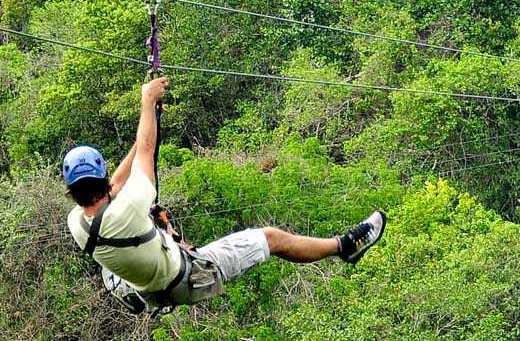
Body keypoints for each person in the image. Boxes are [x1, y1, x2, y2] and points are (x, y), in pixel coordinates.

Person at [62, 76, 387, 313]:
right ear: (101, 177)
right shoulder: (128, 207)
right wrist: (147, 103)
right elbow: (146, 152)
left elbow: (119, 179)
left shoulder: (76, 222)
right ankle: (345, 247)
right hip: (188, 278)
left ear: (73, 192)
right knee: (271, 238)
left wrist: (151, 121)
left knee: (112, 263)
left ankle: (127, 290)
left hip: (148, 283)